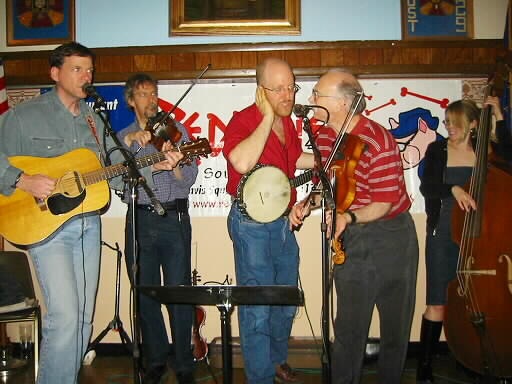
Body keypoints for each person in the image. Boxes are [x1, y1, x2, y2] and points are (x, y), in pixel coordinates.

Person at [0, 43, 183, 384]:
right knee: (66, 317)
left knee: (83, 318)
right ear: (55, 73)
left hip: (87, 225)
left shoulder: (94, 117)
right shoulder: (25, 116)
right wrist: (22, 179)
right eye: (77, 69)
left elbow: (115, 167)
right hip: (47, 227)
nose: (87, 76)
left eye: (90, 70)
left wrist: (154, 162)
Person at [308, 69, 419, 383]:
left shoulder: (378, 139)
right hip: (351, 236)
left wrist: (348, 217)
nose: (310, 99)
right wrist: (307, 203)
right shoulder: (326, 136)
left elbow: (383, 202)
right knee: (348, 330)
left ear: (343, 104)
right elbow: (328, 183)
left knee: (395, 329)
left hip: (391, 236)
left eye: (317, 94)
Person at [223, 57, 314, 384]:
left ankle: (276, 361)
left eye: (291, 87)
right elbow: (243, 161)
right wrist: (266, 115)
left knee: (286, 300)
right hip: (252, 227)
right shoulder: (244, 120)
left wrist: (322, 160)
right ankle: (259, 377)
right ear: (261, 90)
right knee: (258, 307)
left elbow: (291, 161)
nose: (288, 95)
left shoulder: (289, 123)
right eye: (279, 89)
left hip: (283, 222)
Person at [417, 97, 505, 383]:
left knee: (476, 300)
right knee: (437, 302)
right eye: (447, 122)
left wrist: (500, 117)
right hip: (442, 233)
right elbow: (427, 185)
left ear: (474, 124)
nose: (449, 127)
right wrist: (453, 188)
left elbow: (510, 160)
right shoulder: (437, 149)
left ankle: (472, 361)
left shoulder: (487, 152)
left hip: (480, 237)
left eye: (455, 122)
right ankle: (424, 369)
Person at [117, 73, 198, 384]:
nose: (151, 100)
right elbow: (121, 188)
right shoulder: (122, 137)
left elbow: (188, 180)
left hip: (174, 219)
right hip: (140, 219)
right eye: (144, 94)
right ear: (130, 100)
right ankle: (155, 358)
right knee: (145, 292)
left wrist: (176, 165)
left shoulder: (176, 131)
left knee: (178, 292)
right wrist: (141, 155)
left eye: (154, 94)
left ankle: (184, 362)